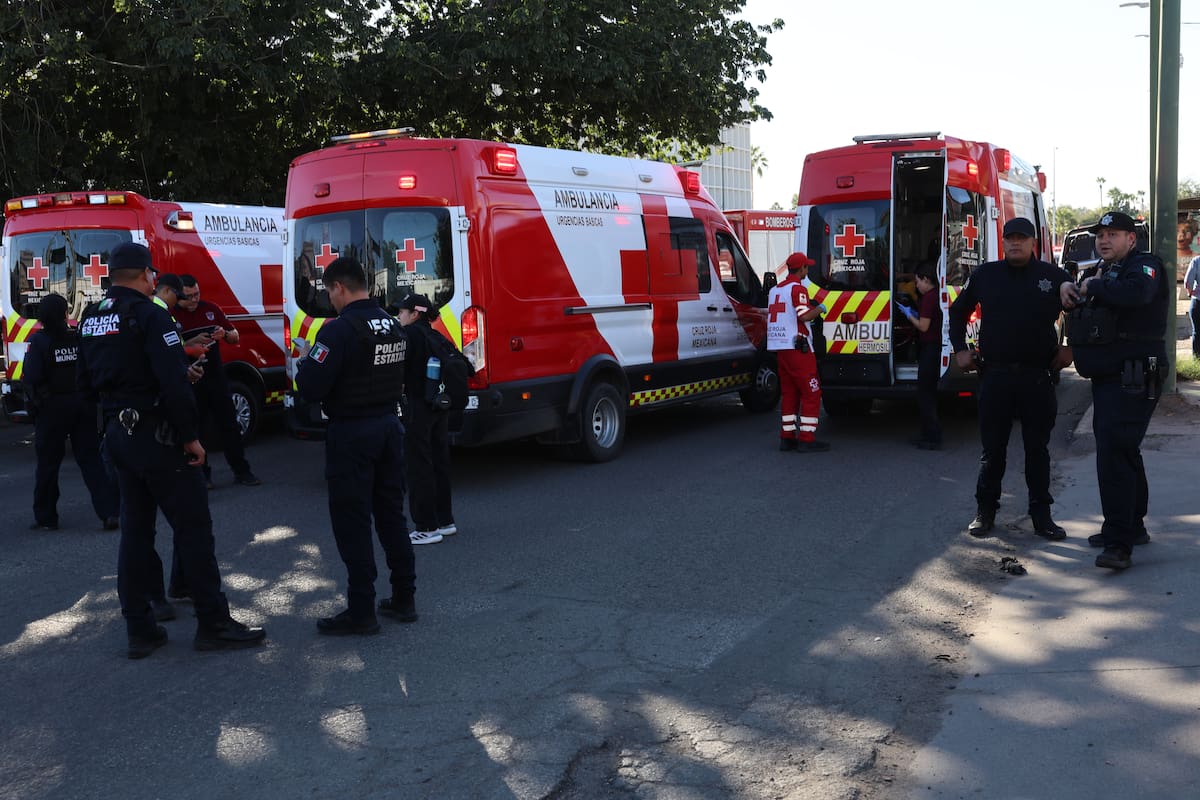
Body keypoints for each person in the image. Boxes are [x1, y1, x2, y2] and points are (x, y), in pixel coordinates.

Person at [76, 242, 265, 658]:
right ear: (146, 275)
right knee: (194, 528)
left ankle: (139, 629)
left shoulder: (92, 317)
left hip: (118, 436)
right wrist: (190, 437)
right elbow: (173, 384)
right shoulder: (150, 315)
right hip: (158, 436)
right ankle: (213, 622)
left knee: (136, 533)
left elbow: (85, 384)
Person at [294, 256, 418, 634]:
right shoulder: (393, 325)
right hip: (388, 427)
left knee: (353, 522)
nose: (329, 300)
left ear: (339, 288)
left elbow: (311, 388)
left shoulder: (338, 331)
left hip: (352, 434)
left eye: (329, 293)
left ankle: (361, 610)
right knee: (391, 516)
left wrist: (304, 360)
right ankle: (403, 598)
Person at [948, 217, 1073, 540]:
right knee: (993, 451)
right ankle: (985, 512)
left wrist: (1071, 347)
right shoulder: (986, 275)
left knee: (1037, 450)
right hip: (996, 376)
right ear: (1003, 242)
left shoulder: (1052, 276)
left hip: (1037, 377)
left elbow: (1081, 309)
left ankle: (1041, 516)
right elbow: (958, 311)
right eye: (1010, 239)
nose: (1015, 244)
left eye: (1022, 238)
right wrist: (960, 348)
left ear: (1034, 243)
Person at [1062, 211, 1169, 570]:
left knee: (1113, 453)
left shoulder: (1145, 266)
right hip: (1111, 375)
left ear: (1131, 239)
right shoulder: (1102, 272)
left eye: (1113, 234)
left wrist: (1095, 286)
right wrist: (1072, 289)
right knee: (1123, 449)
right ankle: (1132, 525)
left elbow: (1138, 294)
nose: (1104, 240)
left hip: (1134, 375)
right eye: (1100, 235)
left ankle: (1118, 543)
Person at [23, 293, 119, 531]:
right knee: (91, 460)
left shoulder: (39, 342)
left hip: (51, 408)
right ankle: (109, 512)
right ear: (65, 314)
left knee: (48, 464)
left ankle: (46, 517)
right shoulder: (77, 338)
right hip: (82, 404)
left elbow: (32, 377)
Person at [172, 274, 261, 488]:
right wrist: (192, 342)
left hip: (216, 377)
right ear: (178, 296)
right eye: (188, 297)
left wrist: (224, 334)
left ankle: (242, 470)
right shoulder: (170, 315)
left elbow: (235, 336)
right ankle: (202, 475)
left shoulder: (210, 309)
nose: (194, 300)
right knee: (196, 428)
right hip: (190, 379)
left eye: (197, 295)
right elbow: (169, 347)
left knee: (229, 425)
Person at [395, 294, 457, 546]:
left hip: (417, 408)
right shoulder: (435, 335)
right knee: (439, 462)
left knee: (418, 466)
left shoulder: (409, 336)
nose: (399, 316)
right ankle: (445, 520)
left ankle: (426, 527)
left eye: (402, 311)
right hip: (437, 406)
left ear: (415, 313)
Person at [767, 252, 829, 453]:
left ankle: (787, 437)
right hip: (798, 349)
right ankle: (807, 438)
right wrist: (820, 308)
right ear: (801, 268)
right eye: (806, 267)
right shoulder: (798, 289)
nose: (807, 270)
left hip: (780, 349)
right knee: (812, 392)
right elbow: (804, 316)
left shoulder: (775, 290)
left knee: (789, 393)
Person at [896, 263, 943, 449]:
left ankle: (931, 437)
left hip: (930, 348)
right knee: (927, 394)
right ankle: (928, 434)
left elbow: (923, 326)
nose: (916, 285)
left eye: (917, 282)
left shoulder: (929, 298)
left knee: (925, 395)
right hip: (933, 347)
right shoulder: (933, 296)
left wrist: (909, 316)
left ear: (926, 280)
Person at [1185, 253, 1200, 359]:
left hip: (1198, 301)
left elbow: (1187, 282)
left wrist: (1190, 292)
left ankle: (1197, 360)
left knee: (1197, 332)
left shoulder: (1196, 261)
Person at [1176, 217, 1197, 283]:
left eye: (1186, 231)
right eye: (1177, 231)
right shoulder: (1168, 258)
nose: (1181, 235)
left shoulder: (1196, 258)